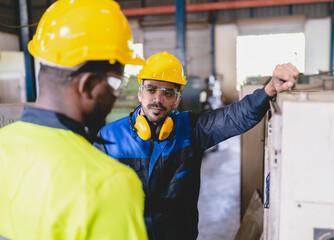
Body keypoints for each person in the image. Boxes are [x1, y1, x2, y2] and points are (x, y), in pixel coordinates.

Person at [95, 51, 298, 239]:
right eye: (151, 89)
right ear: (140, 93)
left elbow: (236, 117)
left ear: (176, 101)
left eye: (167, 93)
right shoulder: (109, 137)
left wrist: (270, 89)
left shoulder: (192, 129)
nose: (158, 99)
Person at [0, 0, 148, 239]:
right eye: (114, 83)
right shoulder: (108, 184)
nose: (115, 96)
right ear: (88, 85)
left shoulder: (3, 143)